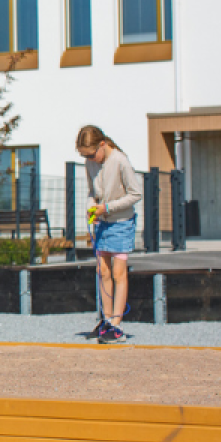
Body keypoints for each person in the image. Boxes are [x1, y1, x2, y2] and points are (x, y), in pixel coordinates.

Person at [77, 125, 143, 344]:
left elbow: (136, 194)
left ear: (102, 145)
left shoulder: (121, 161)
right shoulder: (90, 163)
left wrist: (108, 208)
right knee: (102, 271)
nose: (90, 159)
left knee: (118, 273)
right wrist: (91, 207)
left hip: (121, 223)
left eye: (91, 155)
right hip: (102, 224)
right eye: (85, 156)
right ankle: (106, 320)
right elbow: (92, 192)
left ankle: (116, 324)